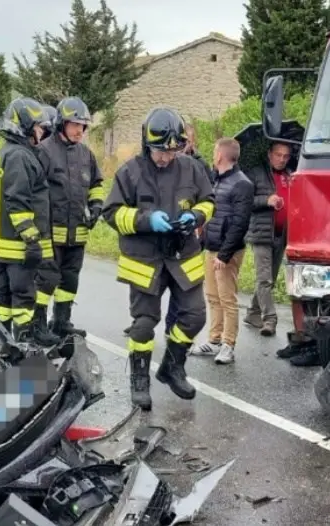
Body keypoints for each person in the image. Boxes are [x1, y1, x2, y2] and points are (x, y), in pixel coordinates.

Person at [102, 107, 214, 410]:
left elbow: (209, 200)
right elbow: (110, 212)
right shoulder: (130, 172)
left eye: (172, 151)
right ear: (146, 144)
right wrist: (146, 220)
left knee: (195, 316)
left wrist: (195, 215)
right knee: (143, 324)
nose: (166, 157)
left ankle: (172, 367)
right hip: (145, 260)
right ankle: (139, 380)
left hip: (182, 256)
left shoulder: (191, 168)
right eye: (159, 151)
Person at [0, 97, 61, 346]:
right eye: (39, 127)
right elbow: (18, 200)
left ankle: (0, 347)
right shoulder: (20, 156)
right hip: (16, 245)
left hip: (1, 245)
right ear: (24, 126)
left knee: (2, 299)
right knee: (24, 297)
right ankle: (25, 348)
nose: (43, 132)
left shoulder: (5, 152)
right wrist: (31, 239)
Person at [35, 96, 104, 338]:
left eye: (83, 126)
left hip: (78, 234)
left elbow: (96, 184)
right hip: (50, 234)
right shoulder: (44, 152)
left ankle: (61, 321)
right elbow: (35, 190)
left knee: (69, 281)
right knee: (46, 281)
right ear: (62, 123)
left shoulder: (86, 155)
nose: (80, 131)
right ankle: (38, 325)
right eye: (75, 124)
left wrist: (96, 205)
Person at [191, 138, 252, 365]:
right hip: (211, 247)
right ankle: (214, 340)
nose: (213, 155)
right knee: (213, 297)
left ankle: (228, 344)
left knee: (227, 299)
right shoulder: (215, 180)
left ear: (220, 156)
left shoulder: (241, 184)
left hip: (228, 251)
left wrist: (225, 255)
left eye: (215, 151)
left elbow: (240, 223)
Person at [244, 141, 293, 337]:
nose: (281, 159)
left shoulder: (290, 175)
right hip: (261, 233)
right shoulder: (256, 174)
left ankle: (253, 312)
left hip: (282, 234)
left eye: (285, 156)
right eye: (278, 155)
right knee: (264, 279)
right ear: (269, 154)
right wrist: (266, 200)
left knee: (269, 279)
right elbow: (244, 201)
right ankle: (270, 319)